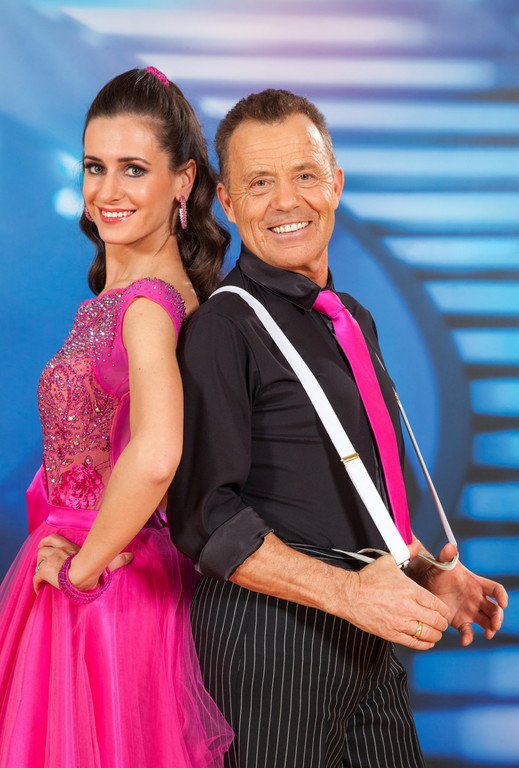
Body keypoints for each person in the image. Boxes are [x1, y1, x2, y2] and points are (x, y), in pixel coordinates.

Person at [168, 89, 508, 768]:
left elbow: (347, 495)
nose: (286, 201)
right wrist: (348, 594)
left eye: (304, 175)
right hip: (270, 642)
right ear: (228, 202)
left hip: (368, 632)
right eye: (259, 183)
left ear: (336, 183)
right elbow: (207, 519)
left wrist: (423, 570)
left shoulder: (350, 318)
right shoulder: (222, 328)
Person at [0, 67, 233, 768]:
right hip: (107, 571)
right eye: (94, 167)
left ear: (183, 181)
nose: (106, 191)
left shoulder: (148, 306)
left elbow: (158, 455)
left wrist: (84, 570)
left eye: (134, 169)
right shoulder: (136, 295)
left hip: (105, 587)